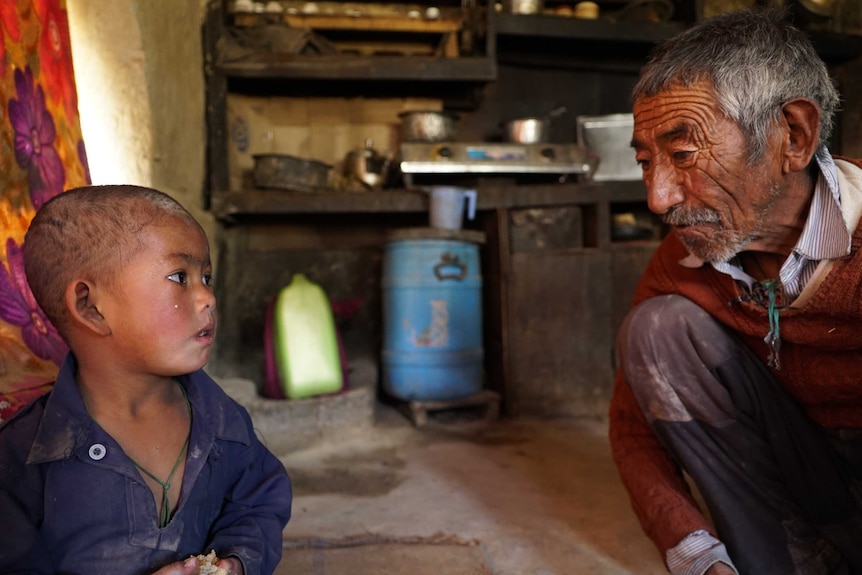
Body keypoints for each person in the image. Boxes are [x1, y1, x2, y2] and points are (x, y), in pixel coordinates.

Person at [607, 7, 862, 575]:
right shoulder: (684, 258)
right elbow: (632, 423)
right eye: (646, 162)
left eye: (682, 155)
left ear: (792, 136)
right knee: (655, 331)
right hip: (813, 480)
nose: (658, 197)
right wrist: (693, 552)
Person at [0, 185, 292, 574]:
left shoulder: (221, 420)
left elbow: (258, 501)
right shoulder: (22, 460)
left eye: (206, 276)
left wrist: (236, 561)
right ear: (91, 307)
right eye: (179, 276)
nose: (208, 297)